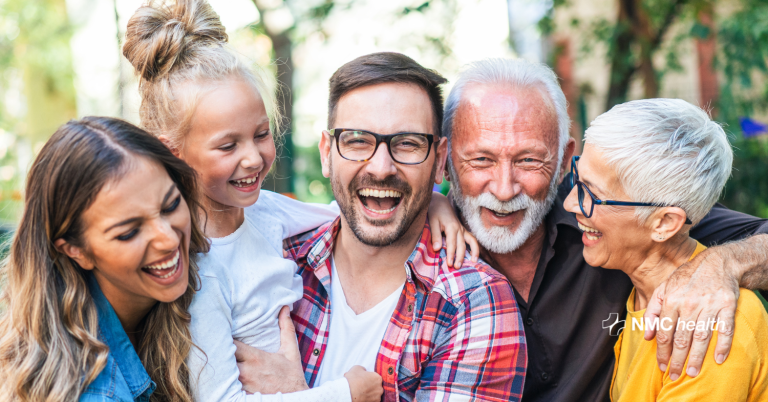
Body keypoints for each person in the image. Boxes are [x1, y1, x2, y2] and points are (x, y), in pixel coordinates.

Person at [122, 3, 478, 401]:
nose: (254, 158)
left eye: (260, 135)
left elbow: (343, 211)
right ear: (172, 154)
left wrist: (432, 200)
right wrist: (344, 394)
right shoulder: (199, 272)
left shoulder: (263, 212)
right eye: (227, 145)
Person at [441, 58, 768, 401]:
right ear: (446, 162)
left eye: (528, 160)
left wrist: (724, 264)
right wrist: (435, 204)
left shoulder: (694, 305)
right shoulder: (420, 257)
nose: (505, 189)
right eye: (480, 160)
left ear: (563, 159)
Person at [235, 52, 527, 402]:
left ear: (439, 161)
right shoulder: (274, 257)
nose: (381, 167)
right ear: (327, 153)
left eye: (407, 144)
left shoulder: (474, 302)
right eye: (358, 140)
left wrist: (294, 393)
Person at [563, 98, 768, 401]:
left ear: (664, 223)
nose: (569, 204)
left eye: (592, 194)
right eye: (577, 180)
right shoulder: (640, 292)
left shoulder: (710, 326)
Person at [0, 117, 208, 401]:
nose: (169, 239)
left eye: (170, 205)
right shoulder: (96, 393)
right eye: (129, 232)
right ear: (77, 251)